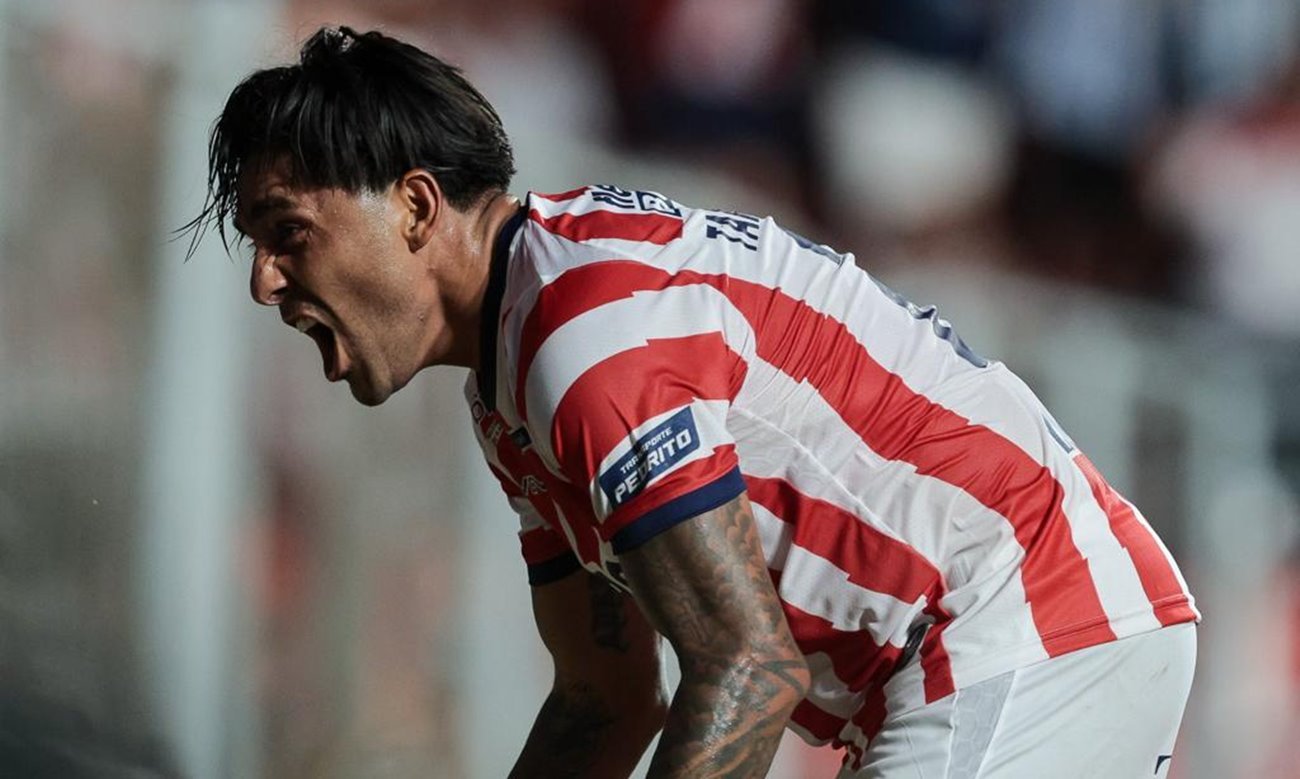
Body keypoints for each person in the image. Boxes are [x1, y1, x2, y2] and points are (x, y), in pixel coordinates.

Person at [189, 26, 1200, 778]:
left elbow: (749, 669)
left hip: (1026, 623)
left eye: (288, 231)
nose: (266, 282)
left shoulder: (583, 336)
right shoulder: (520, 372)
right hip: (1022, 634)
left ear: (415, 205)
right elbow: (604, 699)